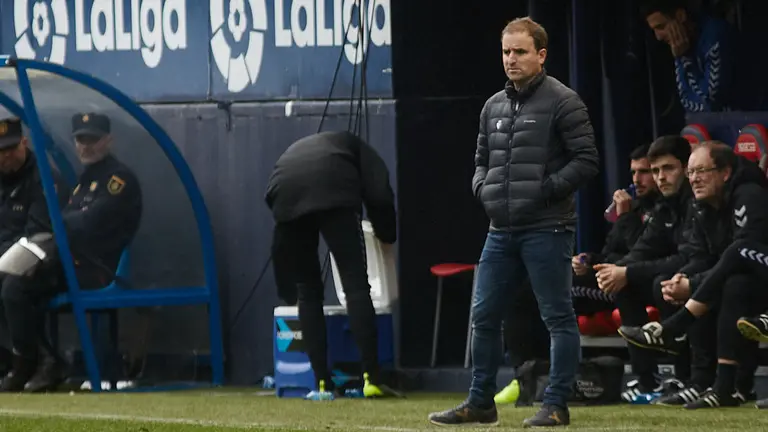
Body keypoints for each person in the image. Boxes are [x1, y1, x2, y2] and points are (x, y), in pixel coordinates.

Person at [427, 16, 599, 428]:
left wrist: (544, 190)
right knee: (483, 316)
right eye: (506, 51)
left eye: (520, 51)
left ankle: (555, 404)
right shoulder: (493, 106)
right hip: (500, 231)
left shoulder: (564, 101)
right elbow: (480, 162)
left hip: (548, 226)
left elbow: (587, 161)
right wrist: (483, 190)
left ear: (541, 55)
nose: (511, 59)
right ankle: (480, 403)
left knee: (557, 317)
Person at [493, 142, 658, 406]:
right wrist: (588, 260)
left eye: (646, 172)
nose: (638, 179)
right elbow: (611, 250)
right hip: (606, 275)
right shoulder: (635, 206)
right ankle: (528, 374)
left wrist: (624, 219)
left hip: (635, 279)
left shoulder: (657, 210)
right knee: (522, 289)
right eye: (634, 172)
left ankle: (648, 379)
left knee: (544, 288)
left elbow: (642, 252)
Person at [618, 142, 768, 409]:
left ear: (725, 173)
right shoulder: (703, 206)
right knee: (730, 284)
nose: (695, 179)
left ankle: (673, 328)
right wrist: (683, 278)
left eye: (702, 170)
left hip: (760, 272)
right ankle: (719, 387)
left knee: (737, 254)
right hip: (746, 279)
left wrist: (695, 284)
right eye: (692, 172)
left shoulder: (749, 194)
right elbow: (702, 256)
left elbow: (747, 250)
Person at [0, 112, 142, 392]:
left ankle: (36, 363)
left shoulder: (118, 180)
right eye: (81, 140)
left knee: (14, 286)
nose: (86, 146)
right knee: (11, 283)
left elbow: (87, 223)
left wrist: (60, 225)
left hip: (93, 269)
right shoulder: (83, 181)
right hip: (67, 263)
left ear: (108, 141)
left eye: (93, 140)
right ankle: (28, 362)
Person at [265, 130, 398, 400]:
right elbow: (380, 193)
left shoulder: (318, 148)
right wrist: (387, 233)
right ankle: (371, 378)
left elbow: (279, 244)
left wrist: (286, 291)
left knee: (307, 290)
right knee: (355, 284)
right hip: (331, 185)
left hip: (283, 188)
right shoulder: (360, 151)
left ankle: (322, 383)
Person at [592, 136, 697, 402]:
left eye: (667, 169)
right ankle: (646, 381)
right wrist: (615, 272)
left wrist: (625, 271)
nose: (660, 177)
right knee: (627, 285)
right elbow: (642, 248)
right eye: (655, 170)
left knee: (663, 283)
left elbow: (685, 257)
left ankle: (687, 378)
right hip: (677, 276)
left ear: (686, 168)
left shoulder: (695, 201)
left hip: (704, 278)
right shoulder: (665, 205)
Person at [640, 0, 737, 112]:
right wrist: (682, 57)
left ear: (681, 16)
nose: (658, 37)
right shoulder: (684, 46)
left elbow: (711, 103)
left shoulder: (715, 36)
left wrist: (684, 58)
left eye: (661, 27)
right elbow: (686, 102)